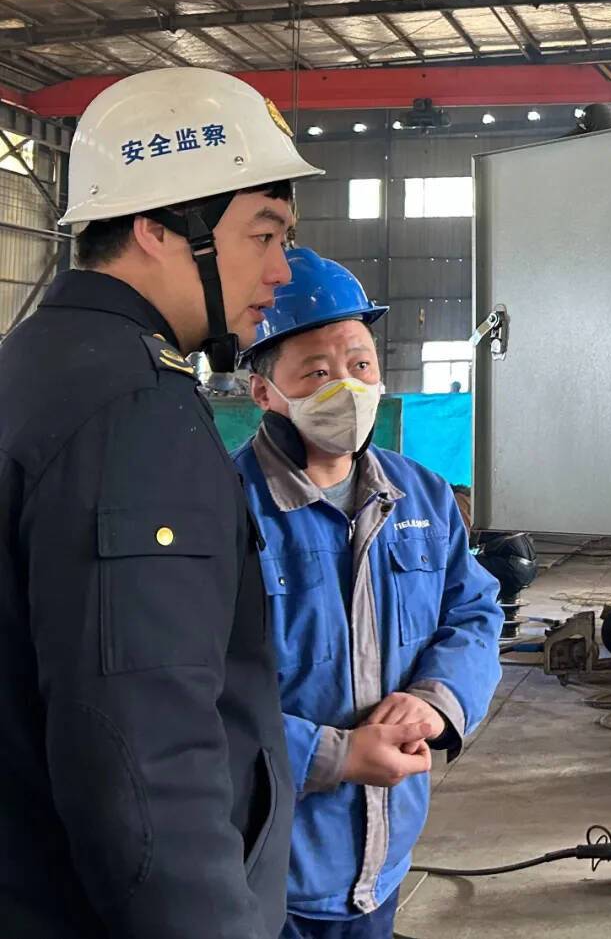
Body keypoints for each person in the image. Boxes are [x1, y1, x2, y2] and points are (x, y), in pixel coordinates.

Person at [0, 68, 323, 939]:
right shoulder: (136, 411)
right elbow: (144, 763)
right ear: (156, 228)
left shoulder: (31, 367)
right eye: (263, 233)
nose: (280, 269)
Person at [235, 248, 503, 939]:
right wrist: (334, 756)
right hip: (264, 877)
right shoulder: (222, 509)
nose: (347, 388)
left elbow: (474, 612)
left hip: (382, 865)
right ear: (263, 391)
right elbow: (191, 692)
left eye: (360, 364)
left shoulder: (422, 497)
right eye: (316, 373)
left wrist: (436, 699)